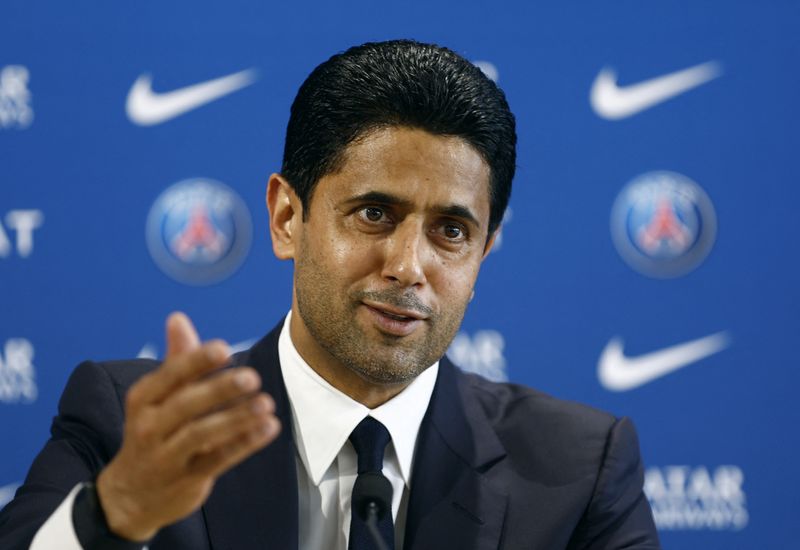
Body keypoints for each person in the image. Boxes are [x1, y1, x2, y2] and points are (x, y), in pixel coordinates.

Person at [0, 40, 660, 549]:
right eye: (374, 214)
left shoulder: (580, 468)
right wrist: (116, 515)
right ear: (288, 218)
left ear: (485, 250)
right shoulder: (131, 425)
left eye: (451, 231)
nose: (408, 266)